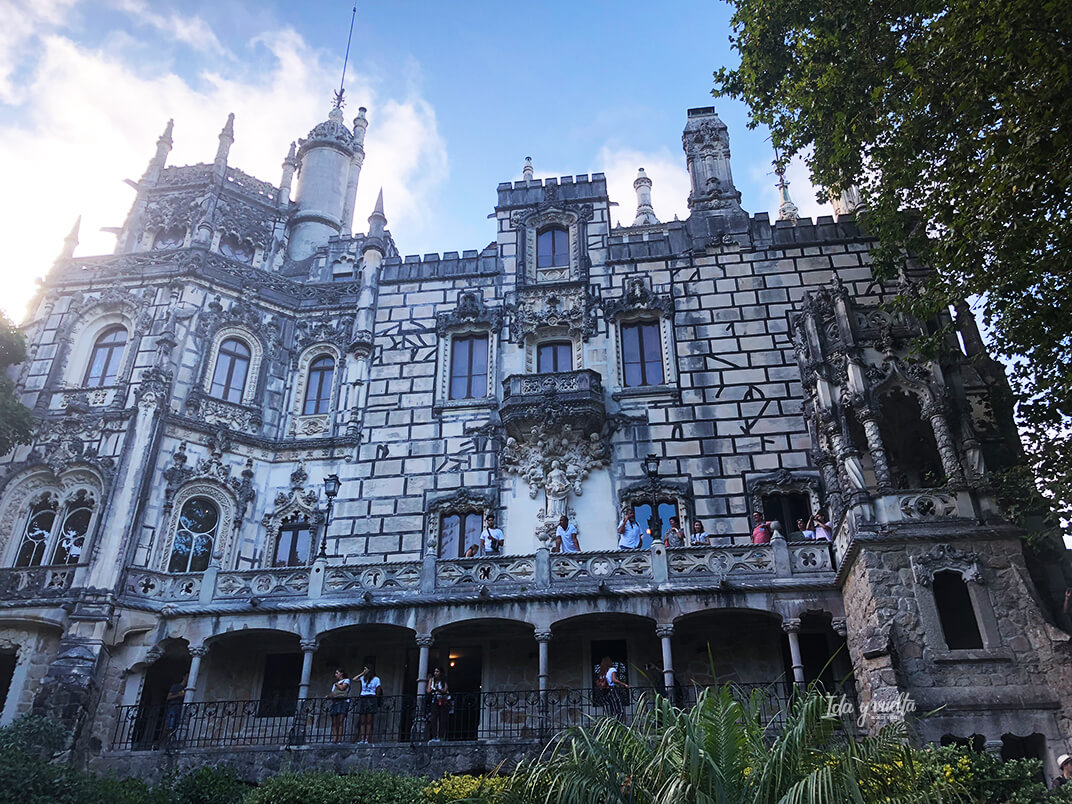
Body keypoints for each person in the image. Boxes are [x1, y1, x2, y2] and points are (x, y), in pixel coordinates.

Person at [353, 664, 381, 744]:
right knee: (362, 721)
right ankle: (362, 738)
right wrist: (362, 673)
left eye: (365, 669)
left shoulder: (376, 679)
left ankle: (367, 738)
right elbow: (354, 679)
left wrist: (375, 698)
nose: (364, 670)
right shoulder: (363, 678)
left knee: (369, 720)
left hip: (371, 698)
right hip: (363, 698)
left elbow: (378, 689)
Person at [596, 656, 631, 720]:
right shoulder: (612, 669)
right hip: (612, 690)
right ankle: (616, 724)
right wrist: (625, 684)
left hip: (605, 691)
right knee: (620, 710)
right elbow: (614, 680)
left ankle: (610, 723)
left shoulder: (602, 672)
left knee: (611, 709)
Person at [160, 671, 187, 748]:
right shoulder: (176, 686)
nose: (188, 678)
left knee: (175, 727)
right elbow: (168, 697)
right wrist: (178, 695)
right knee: (170, 726)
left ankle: (168, 744)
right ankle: (158, 743)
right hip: (173, 707)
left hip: (179, 708)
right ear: (184, 677)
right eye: (187, 676)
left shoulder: (185, 689)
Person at [426, 666, 450, 743]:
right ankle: (434, 736)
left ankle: (441, 735)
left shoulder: (443, 680)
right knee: (434, 718)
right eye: (435, 671)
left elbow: (445, 690)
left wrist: (439, 690)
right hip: (434, 700)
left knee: (442, 718)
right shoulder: (432, 680)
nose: (435, 673)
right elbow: (428, 690)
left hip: (442, 700)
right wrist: (433, 689)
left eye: (437, 671)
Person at [327, 667, 351, 743]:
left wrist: (337, 684)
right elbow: (333, 693)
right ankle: (334, 739)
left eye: (337, 673)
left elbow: (342, 688)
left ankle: (339, 739)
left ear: (341, 674)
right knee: (334, 722)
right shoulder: (335, 684)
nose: (335, 675)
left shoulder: (346, 680)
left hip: (343, 702)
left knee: (340, 721)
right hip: (335, 702)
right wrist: (328, 696)